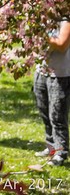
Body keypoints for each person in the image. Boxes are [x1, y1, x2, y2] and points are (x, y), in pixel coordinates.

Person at [34, 20, 70, 166]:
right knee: (44, 112)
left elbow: (62, 44)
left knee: (57, 115)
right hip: (42, 71)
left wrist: (38, 37)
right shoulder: (41, 17)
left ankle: (61, 152)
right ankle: (51, 147)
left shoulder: (65, 20)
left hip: (60, 74)